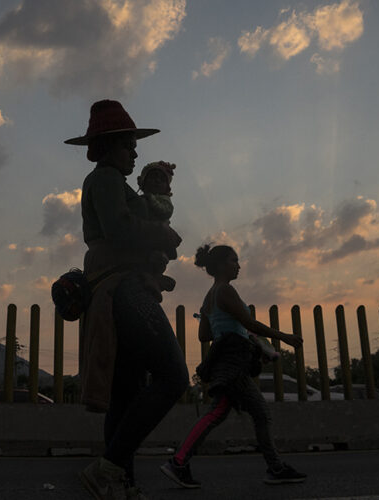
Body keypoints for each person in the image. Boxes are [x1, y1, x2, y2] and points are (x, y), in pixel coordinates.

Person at [64, 100, 189, 500]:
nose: (135, 152)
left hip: (121, 288)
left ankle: (121, 482)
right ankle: (109, 468)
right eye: (128, 145)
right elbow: (119, 228)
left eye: (134, 145)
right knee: (172, 377)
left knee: (128, 392)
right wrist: (162, 237)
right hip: (123, 291)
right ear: (106, 147)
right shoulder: (103, 179)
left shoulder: (115, 184)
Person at [160, 244, 307, 489]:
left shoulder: (209, 297)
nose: (238, 265)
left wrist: (223, 325)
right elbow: (249, 322)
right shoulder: (225, 290)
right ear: (219, 266)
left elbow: (204, 335)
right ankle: (275, 468)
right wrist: (284, 337)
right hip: (234, 362)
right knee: (256, 413)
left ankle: (180, 461)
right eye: (233, 260)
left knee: (219, 413)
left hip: (225, 361)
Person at [137, 161, 177, 292]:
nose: (157, 181)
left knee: (158, 257)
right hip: (146, 236)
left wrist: (151, 200)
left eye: (162, 179)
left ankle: (156, 277)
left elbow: (166, 211)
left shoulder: (163, 200)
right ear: (142, 182)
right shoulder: (139, 200)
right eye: (153, 177)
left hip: (160, 237)